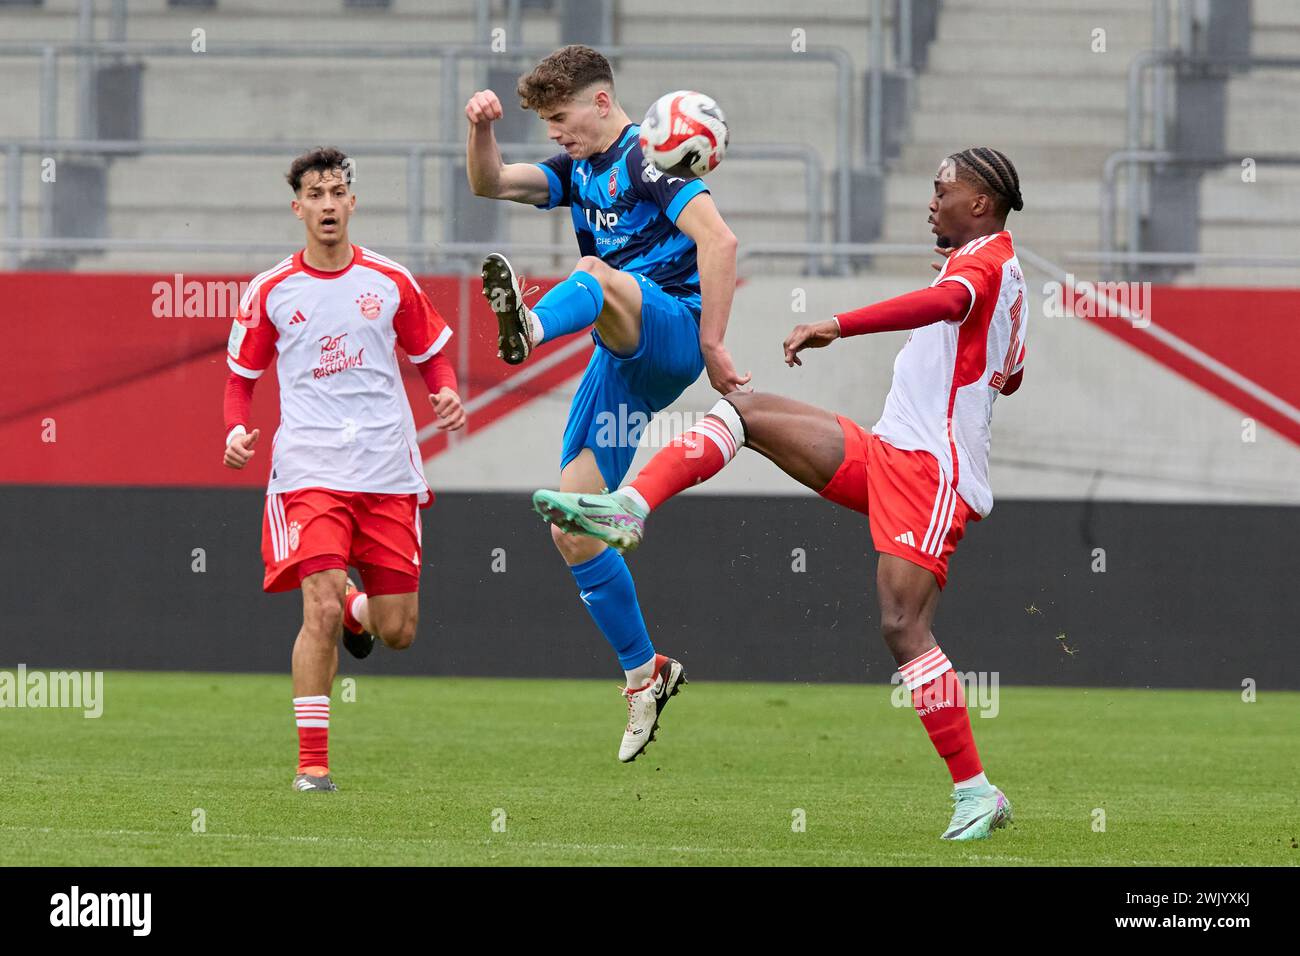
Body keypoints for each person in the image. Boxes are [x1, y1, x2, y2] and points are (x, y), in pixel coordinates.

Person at [533, 147, 1027, 840]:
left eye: (942, 189)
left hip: (932, 474)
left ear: (980, 203)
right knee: (747, 411)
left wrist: (839, 322)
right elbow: (1011, 375)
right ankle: (631, 507)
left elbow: (950, 304)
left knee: (902, 625)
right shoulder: (999, 272)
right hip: (890, 451)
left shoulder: (986, 264)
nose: (931, 200)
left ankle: (977, 792)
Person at [464, 45, 747, 762]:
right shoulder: (574, 171)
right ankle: (644, 673)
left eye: (560, 118)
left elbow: (719, 241)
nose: (554, 133)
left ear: (600, 102)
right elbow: (490, 182)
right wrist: (481, 128)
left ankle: (528, 327)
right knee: (572, 523)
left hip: (673, 330)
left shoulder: (651, 159)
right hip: (622, 356)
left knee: (595, 272)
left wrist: (714, 345)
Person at [222, 147, 466, 792]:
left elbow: (433, 356)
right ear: (297, 207)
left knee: (399, 630)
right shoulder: (272, 290)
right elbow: (240, 380)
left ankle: (364, 612)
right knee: (320, 608)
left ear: (352, 203)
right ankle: (312, 767)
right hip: (310, 467)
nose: (328, 204)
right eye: (315, 194)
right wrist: (236, 431)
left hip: (387, 466)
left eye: (337, 193)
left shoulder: (390, 281)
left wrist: (444, 392)